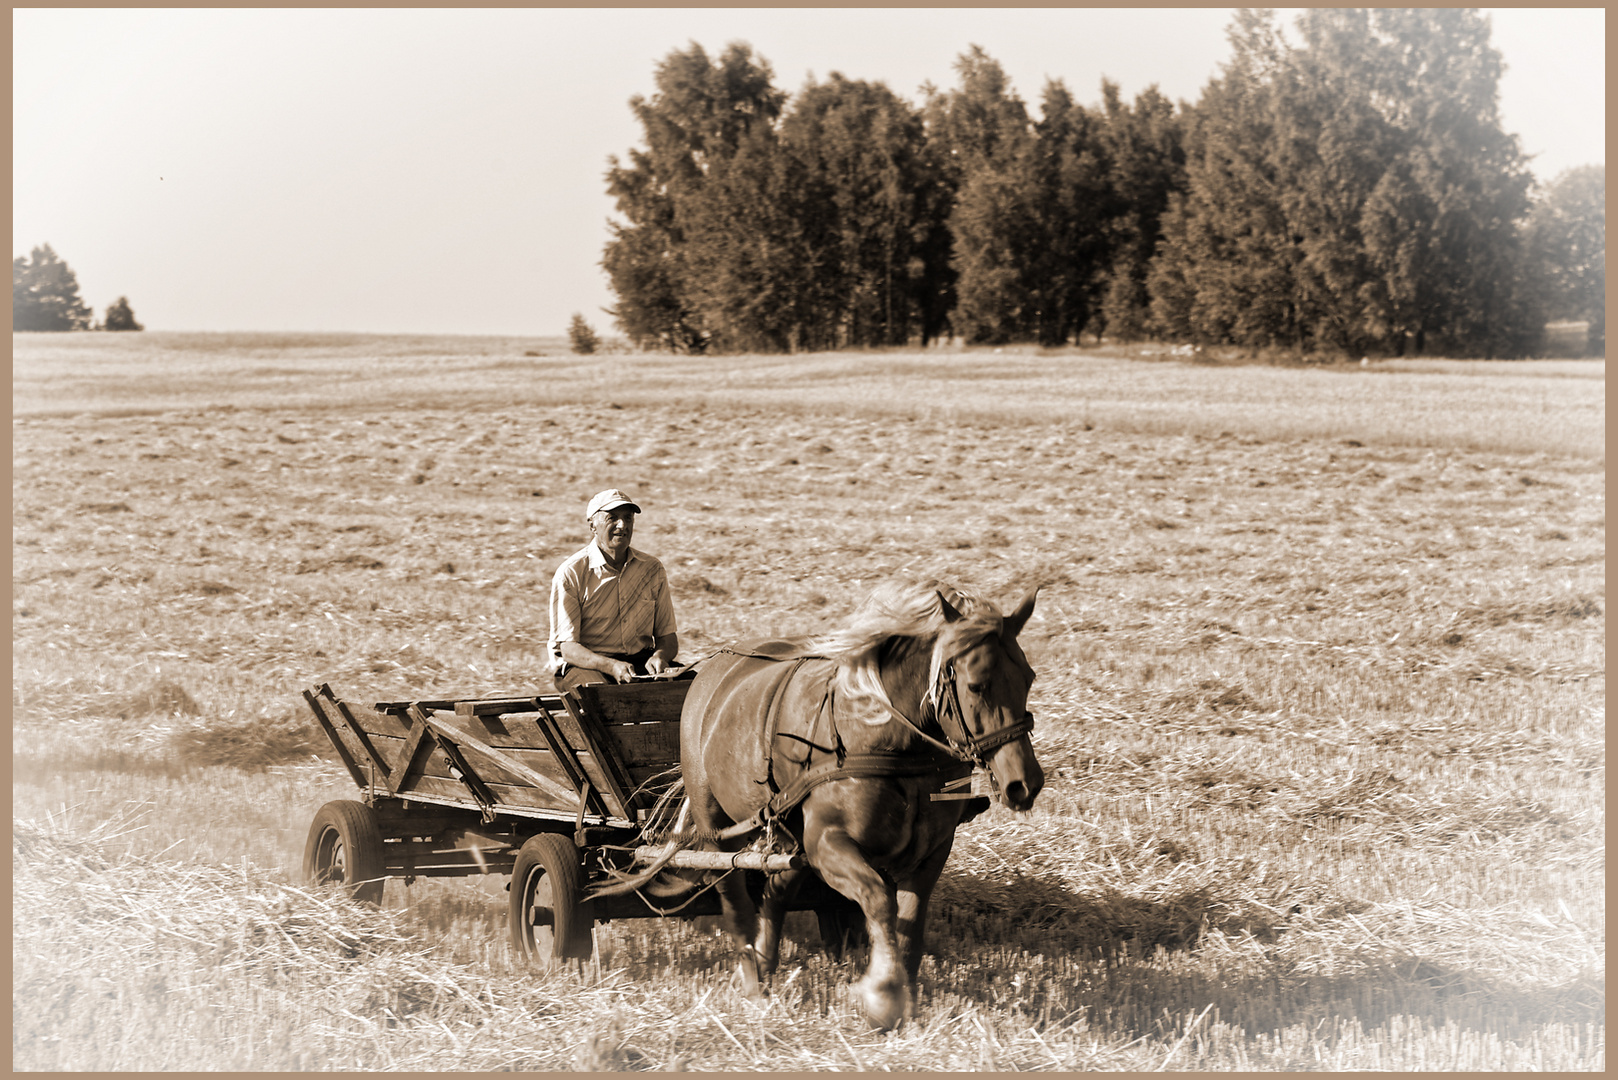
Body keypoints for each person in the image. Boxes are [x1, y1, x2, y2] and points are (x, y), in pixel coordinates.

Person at [548, 488, 679, 694]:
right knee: (602, 697)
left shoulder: (652, 569)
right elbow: (569, 650)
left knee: (698, 689)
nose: (623, 525)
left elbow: (668, 638)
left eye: (628, 518)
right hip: (586, 665)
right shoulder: (572, 572)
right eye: (612, 518)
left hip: (638, 662)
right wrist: (611, 666)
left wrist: (659, 657)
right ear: (592, 525)